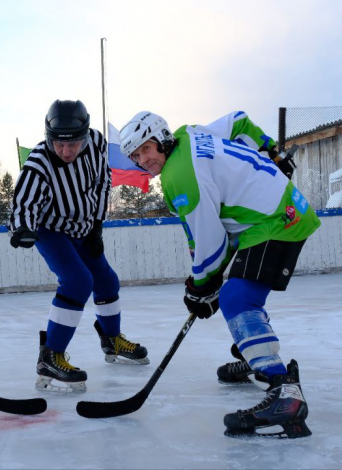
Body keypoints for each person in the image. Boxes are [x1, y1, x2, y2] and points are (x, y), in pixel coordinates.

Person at [118, 110, 320, 438]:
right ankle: (255, 358)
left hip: (276, 219)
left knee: (237, 297)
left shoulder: (179, 176)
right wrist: (268, 149)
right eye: (135, 155)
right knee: (239, 292)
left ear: (162, 141)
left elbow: (209, 238)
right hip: (271, 212)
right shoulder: (189, 134)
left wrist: (201, 286)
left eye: (146, 150)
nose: (142, 160)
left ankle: (283, 391)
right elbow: (239, 121)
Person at [10, 99, 149, 393]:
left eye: (72, 143)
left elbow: (103, 182)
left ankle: (112, 340)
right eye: (58, 144)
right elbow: (23, 203)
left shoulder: (97, 143)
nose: (65, 151)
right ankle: (50, 356)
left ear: (85, 135)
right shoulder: (38, 163)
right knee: (77, 281)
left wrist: (97, 225)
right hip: (51, 229)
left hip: (84, 228)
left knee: (107, 281)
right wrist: (22, 228)